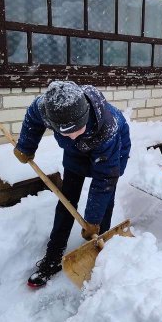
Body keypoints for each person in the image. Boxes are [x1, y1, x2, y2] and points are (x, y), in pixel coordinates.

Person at [13, 81, 131, 287]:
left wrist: (92, 220)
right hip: (76, 154)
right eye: (66, 132)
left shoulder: (108, 128)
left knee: (105, 198)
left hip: (112, 150)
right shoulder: (48, 109)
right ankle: (53, 255)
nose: (73, 135)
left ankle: (101, 248)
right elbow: (33, 115)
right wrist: (25, 146)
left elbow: (104, 179)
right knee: (66, 200)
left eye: (78, 128)